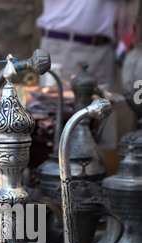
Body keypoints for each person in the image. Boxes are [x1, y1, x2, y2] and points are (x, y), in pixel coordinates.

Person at [36, 0, 139, 149]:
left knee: (104, 121)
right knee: (58, 124)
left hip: (104, 48)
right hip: (64, 43)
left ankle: (102, 169)